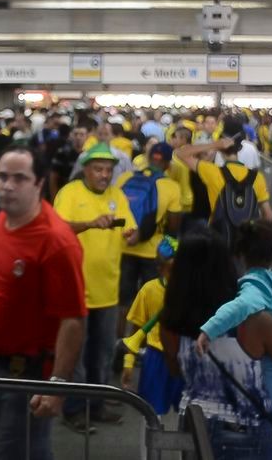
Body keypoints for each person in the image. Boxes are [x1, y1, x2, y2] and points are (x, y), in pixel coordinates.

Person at [0, 146, 87, 460]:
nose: (7, 185)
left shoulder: (56, 241)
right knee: (27, 447)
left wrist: (57, 386)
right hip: (0, 362)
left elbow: (73, 320)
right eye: (2, 177)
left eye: (20, 178)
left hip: (31, 372)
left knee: (13, 449)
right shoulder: (0, 214)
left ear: (39, 184)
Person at [160, 231, 272, 460]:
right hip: (248, 429)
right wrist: (261, 386)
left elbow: (175, 370)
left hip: (194, 427)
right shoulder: (255, 320)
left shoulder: (170, 323)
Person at [52, 142, 139, 433]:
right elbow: (57, 230)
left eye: (108, 170)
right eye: (98, 169)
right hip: (75, 291)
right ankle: (74, 409)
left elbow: (131, 228)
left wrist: (132, 233)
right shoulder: (70, 193)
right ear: (86, 170)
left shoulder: (117, 195)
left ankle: (97, 404)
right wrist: (90, 224)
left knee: (100, 355)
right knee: (75, 356)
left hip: (107, 291)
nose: (104, 175)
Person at [115, 143, 183, 322]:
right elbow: (174, 225)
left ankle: (120, 343)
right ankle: (141, 344)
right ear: (168, 164)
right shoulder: (171, 187)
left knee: (124, 301)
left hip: (123, 247)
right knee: (150, 301)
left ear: (148, 157)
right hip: (153, 253)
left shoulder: (125, 178)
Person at [176, 117, 272, 233]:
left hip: (218, 238)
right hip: (247, 240)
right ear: (240, 147)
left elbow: (180, 153)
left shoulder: (212, 172)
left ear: (221, 149)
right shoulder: (257, 178)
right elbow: (268, 214)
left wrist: (214, 145)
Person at [121, 236, 183, 416]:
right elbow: (135, 331)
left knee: (188, 417)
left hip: (183, 358)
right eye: (171, 270)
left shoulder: (191, 290)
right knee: (151, 417)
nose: (175, 276)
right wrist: (128, 363)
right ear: (160, 268)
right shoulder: (148, 290)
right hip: (156, 359)